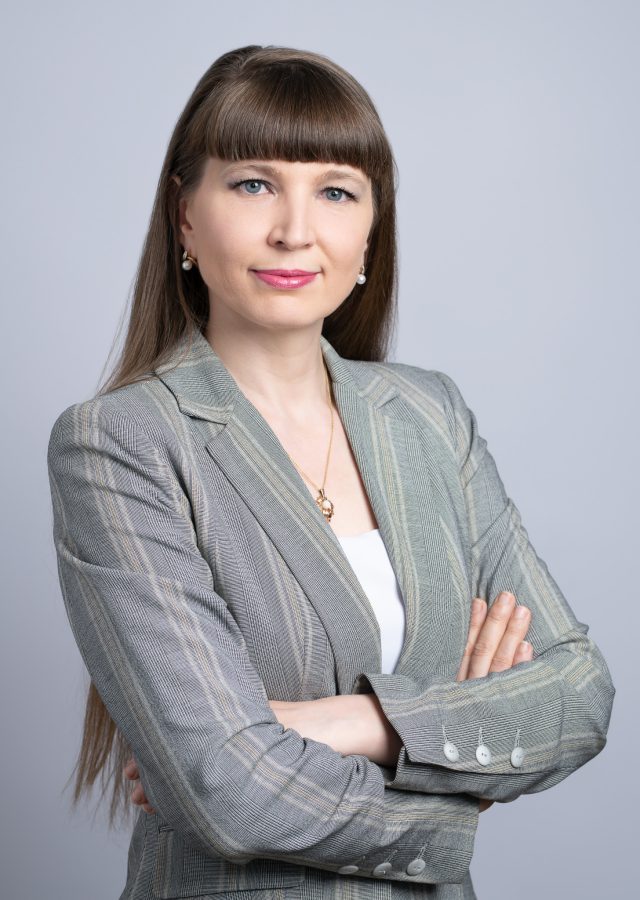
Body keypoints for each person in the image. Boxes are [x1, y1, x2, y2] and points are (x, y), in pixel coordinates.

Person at [47, 44, 615, 900]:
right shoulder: (120, 442)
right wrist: (463, 779)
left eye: (336, 192)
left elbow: (577, 695)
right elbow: (228, 791)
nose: (295, 230)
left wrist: (363, 722)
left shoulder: (429, 415)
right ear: (185, 216)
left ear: (371, 230)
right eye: (253, 184)